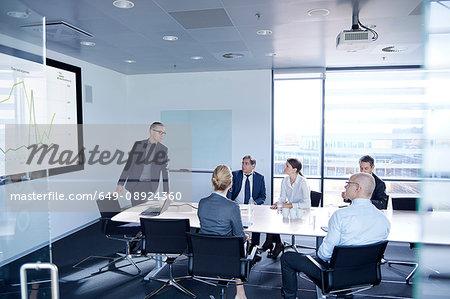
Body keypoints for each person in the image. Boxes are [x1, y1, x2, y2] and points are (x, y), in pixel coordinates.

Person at [281, 172, 391, 299]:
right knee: (343, 260)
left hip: (337, 275)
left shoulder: (341, 216)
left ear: (357, 188)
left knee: (288, 257)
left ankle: (289, 297)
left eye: (348, 184)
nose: (345, 187)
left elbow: (324, 254)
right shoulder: (383, 220)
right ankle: (344, 295)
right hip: (366, 273)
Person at [198, 165, 250, 299]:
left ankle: (239, 292)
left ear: (212, 182)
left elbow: (208, 228)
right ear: (230, 184)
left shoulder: (202, 203)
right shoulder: (232, 206)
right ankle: (240, 293)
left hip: (204, 256)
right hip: (226, 258)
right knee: (241, 243)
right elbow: (240, 238)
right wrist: (244, 236)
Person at [262, 158, 310, 259]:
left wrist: (289, 205)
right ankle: (275, 242)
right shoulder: (285, 180)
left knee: (278, 219)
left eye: (287, 166)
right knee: (272, 217)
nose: (284, 168)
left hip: (302, 212)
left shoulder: (303, 182)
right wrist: (278, 203)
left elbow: (307, 204)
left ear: (295, 169)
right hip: (290, 211)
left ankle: (272, 242)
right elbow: (282, 197)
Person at [115, 122, 169, 206]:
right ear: (151, 131)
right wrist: (120, 184)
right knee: (137, 209)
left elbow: (165, 172)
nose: (162, 135)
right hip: (135, 185)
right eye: (160, 132)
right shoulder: (138, 145)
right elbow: (129, 165)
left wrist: (167, 192)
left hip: (150, 186)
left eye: (163, 133)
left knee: (143, 208)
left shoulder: (163, 149)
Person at [227, 155, 266, 253]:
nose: (243, 165)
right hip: (236, 206)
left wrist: (256, 203)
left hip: (252, 207)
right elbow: (229, 192)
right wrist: (229, 202)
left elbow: (263, 196)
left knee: (257, 220)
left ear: (253, 166)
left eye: (246, 163)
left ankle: (254, 246)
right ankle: (236, 245)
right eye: (242, 163)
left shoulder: (260, 178)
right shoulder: (235, 175)